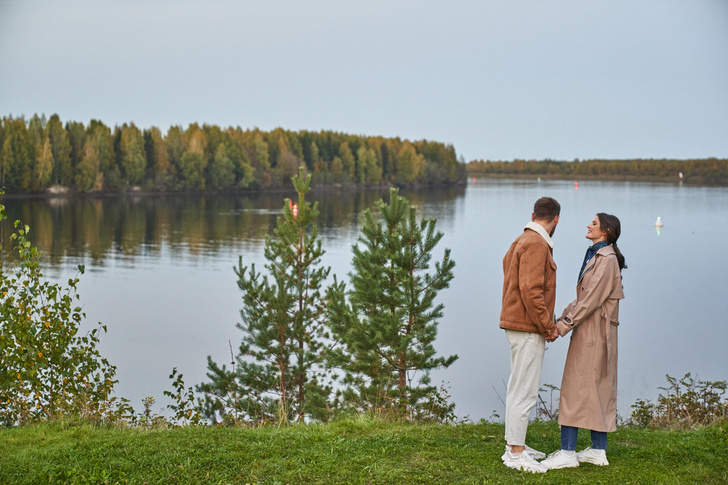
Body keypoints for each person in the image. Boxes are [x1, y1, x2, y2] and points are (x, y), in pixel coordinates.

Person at [540, 213, 626, 470]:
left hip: (593, 333)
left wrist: (562, 326)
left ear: (606, 231)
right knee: (595, 388)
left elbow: (589, 301)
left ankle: (568, 453)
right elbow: (582, 298)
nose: (588, 225)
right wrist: (561, 318)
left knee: (574, 388)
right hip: (593, 330)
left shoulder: (606, 259)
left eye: (594, 223)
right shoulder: (598, 255)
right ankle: (598, 451)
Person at [499, 197, 561, 474]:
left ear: (533, 214)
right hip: (527, 328)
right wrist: (548, 326)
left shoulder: (521, 240)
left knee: (518, 388)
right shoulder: (537, 244)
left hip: (518, 325)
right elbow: (531, 290)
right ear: (556, 219)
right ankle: (515, 453)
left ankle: (515, 445)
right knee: (525, 391)